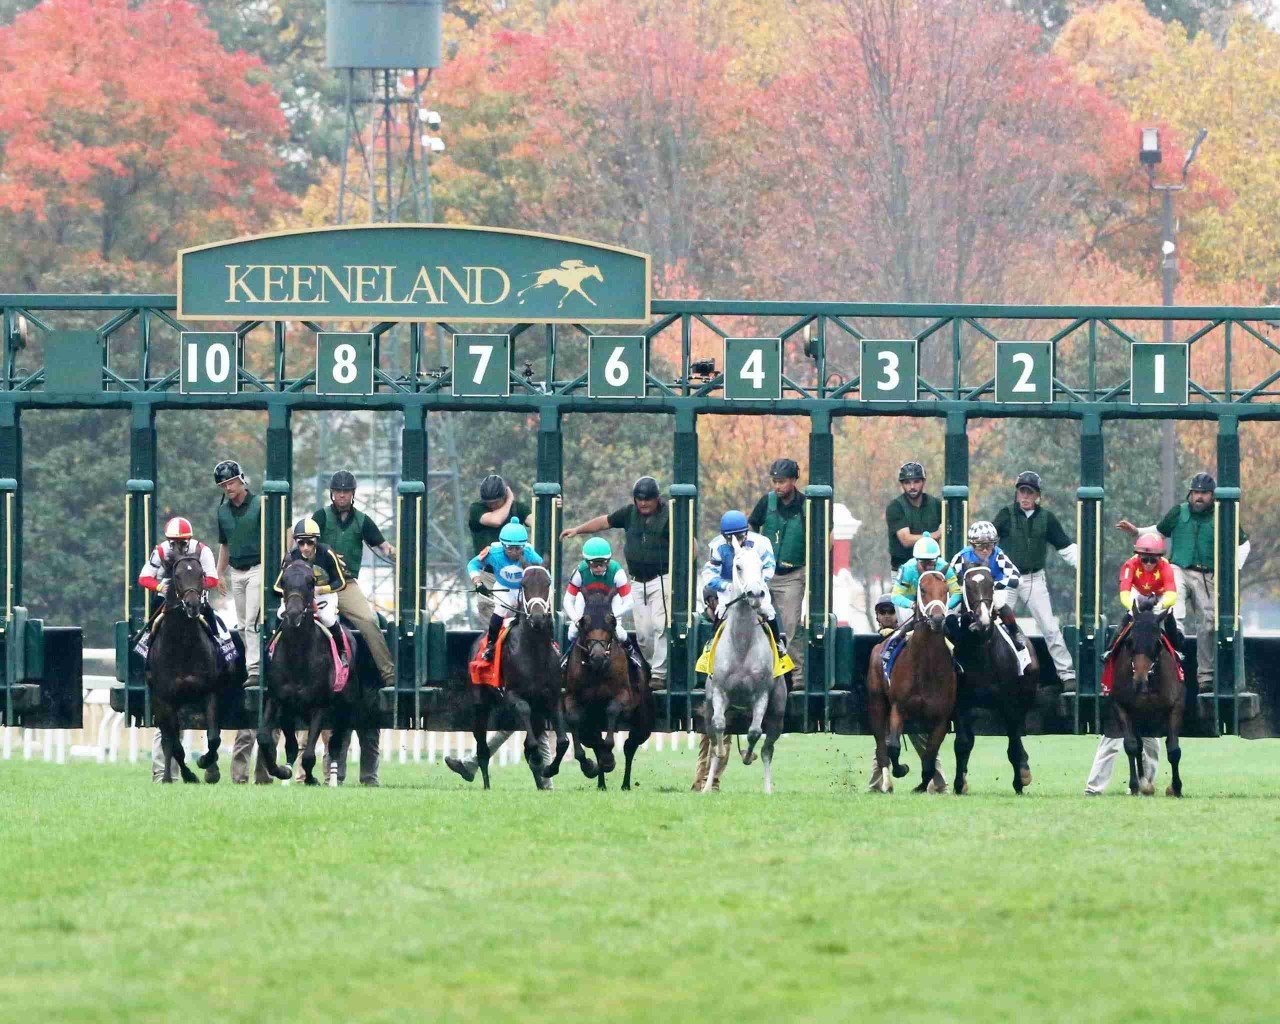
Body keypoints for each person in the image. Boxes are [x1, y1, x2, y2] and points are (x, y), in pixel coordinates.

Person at [1116, 472, 1251, 693]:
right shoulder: (1179, 512)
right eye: (1196, 492)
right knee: (1173, 600)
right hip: (1178, 568)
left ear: (1212, 496)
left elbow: (1244, 545)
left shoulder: (1223, 515)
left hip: (1208, 575)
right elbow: (1159, 531)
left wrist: (1231, 569)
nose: (1199, 497)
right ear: (1190, 494)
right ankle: (1176, 632)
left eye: (1204, 493)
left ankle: (1205, 677)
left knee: (1208, 623)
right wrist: (1137, 532)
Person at [447, 517, 554, 785]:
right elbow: (473, 565)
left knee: (542, 621)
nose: (515, 553)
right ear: (503, 545)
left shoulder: (530, 554)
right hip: (505, 594)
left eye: (519, 549)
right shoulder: (493, 552)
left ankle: (553, 655)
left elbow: (543, 575)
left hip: (528, 595)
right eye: (511, 549)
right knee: (497, 620)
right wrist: (476, 580)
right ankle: (492, 647)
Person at [311, 470, 396, 786]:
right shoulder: (320, 517)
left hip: (345, 585)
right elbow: (303, 542)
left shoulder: (363, 521)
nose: (342, 495)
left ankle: (388, 673)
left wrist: (400, 555)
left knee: (370, 622)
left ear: (353, 494)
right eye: (338, 491)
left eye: (346, 491)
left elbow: (383, 546)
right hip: (318, 585)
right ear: (332, 493)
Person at [1087, 534, 1181, 796]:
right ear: (1138, 556)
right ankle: (1111, 651)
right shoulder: (1130, 565)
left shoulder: (1166, 568)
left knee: (1174, 631)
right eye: (1145, 558)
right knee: (1122, 629)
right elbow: (1124, 593)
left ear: (1159, 558)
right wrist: (1138, 606)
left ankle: (1179, 658)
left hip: (1159, 603)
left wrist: (1159, 606)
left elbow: (1172, 594)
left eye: (1152, 559)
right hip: (1137, 603)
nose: (1148, 563)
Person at [138, 516, 228, 783]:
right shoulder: (160, 551)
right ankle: (147, 666)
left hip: (196, 600)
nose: (178, 545)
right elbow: (144, 577)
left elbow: (213, 578)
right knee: (147, 633)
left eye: (182, 541)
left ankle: (225, 657)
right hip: (167, 601)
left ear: (189, 539)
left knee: (218, 630)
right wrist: (162, 585)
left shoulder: (202, 550)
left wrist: (193, 586)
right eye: (174, 541)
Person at [560, 475, 670, 687]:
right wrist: (577, 530)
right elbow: (605, 522)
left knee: (660, 626)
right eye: (639, 499)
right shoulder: (629, 513)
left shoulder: (668, 516)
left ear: (657, 498)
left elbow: (686, 537)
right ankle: (649, 668)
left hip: (661, 580)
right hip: (637, 581)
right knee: (644, 634)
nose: (643, 503)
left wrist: (692, 549)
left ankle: (659, 674)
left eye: (648, 499)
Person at [992, 471, 1079, 689]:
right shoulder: (1005, 514)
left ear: (1037, 495)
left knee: (1050, 627)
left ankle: (1067, 675)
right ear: (1017, 493)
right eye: (1022, 491)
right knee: (996, 626)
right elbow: (988, 543)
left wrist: (1086, 564)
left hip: (1034, 579)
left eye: (1029, 492)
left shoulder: (1047, 518)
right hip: (1007, 578)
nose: (1025, 496)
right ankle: (993, 673)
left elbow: (1066, 548)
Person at [213, 458, 270, 785]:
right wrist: (218, 573)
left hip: (259, 568)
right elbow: (224, 545)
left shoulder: (260, 505)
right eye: (223, 486)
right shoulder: (222, 512)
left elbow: (280, 535)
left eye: (231, 483)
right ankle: (250, 665)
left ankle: (255, 668)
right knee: (241, 622)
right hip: (236, 571)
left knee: (252, 620)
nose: (228, 488)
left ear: (241, 480)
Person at [867, 591, 949, 793]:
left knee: (922, 740)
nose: (887, 616)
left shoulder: (910, 635)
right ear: (877, 616)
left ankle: (939, 783)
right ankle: (877, 784)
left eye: (891, 611)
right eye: (882, 612)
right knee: (884, 739)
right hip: (888, 702)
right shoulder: (882, 643)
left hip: (914, 700)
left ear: (898, 614)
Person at [749, 458, 807, 688]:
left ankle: (796, 677)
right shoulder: (766, 502)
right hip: (765, 575)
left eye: (782, 481)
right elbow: (752, 525)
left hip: (792, 575)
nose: (777, 486)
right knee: (756, 621)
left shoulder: (806, 505)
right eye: (774, 481)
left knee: (790, 626)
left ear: (793, 480)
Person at [699, 510, 788, 656]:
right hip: (730, 588)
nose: (736, 541)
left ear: (746, 532)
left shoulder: (761, 543)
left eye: (739, 537)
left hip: (755, 585)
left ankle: (778, 644)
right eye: (729, 538)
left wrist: (755, 582)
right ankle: (712, 645)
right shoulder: (717, 546)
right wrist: (726, 586)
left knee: (767, 609)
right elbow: (709, 573)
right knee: (722, 611)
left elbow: (769, 567)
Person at [948, 520, 1031, 674]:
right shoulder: (962, 556)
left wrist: (993, 585)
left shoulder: (998, 555)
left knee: (999, 603)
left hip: (992, 591)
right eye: (981, 546)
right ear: (972, 545)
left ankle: (1015, 633)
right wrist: (961, 589)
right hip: (970, 592)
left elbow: (1017, 578)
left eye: (990, 545)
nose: (986, 550)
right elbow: (948, 577)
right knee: (950, 611)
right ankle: (951, 642)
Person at [562, 537, 645, 678]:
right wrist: (576, 619)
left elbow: (629, 601)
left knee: (619, 632)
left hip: (611, 601)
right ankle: (567, 658)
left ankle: (632, 654)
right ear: (587, 562)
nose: (599, 568)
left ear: (608, 561)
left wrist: (614, 615)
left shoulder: (617, 572)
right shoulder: (580, 572)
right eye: (595, 564)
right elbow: (568, 600)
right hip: (587, 602)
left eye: (603, 563)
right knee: (572, 632)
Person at [273, 518, 350, 660]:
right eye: (301, 543)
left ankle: (342, 650)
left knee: (326, 618)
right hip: (299, 597)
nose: (305, 547)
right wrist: (292, 594)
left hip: (324, 595)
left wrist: (321, 590)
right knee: (280, 614)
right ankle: (274, 648)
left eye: (310, 542)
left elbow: (341, 582)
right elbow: (277, 586)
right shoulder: (291, 557)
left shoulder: (327, 553)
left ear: (316, 541)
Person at [468, 475, 532, 625]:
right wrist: (509, 500)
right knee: (493, 620)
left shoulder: (518, 508)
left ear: (504, 496)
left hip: (516, 575)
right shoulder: (477, 509)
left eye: (496, 502)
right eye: (488, 503)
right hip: (489, 575)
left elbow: (537, 522)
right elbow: (496, 520)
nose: (492, 506)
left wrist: (554, 507)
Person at [690, 584, 730, 792]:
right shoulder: (700, 622)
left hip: (726, 690)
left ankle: (711, 782)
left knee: (724, 735)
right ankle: (700, 781)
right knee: (707, 738)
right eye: (718, 599)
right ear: (709, 602)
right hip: (705, 687)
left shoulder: (730, 624)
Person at [885, 461, 942, 588]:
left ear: (923, 482)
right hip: (903, 569)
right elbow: (906, 540)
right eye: (907, 482)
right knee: (899, 600)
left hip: (932, 569)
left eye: (916, 481)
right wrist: (936, 535)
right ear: (902, 484)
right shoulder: (895, 507)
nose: (912, 486)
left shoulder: (936, 505)